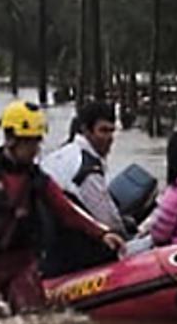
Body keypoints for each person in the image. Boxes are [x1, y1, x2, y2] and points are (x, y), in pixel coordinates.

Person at [0, 101, 124, 313]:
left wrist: (102, 233)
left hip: (20, 260)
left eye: (37, 142)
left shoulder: (36, 178)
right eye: (29, 143)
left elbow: (67, 210)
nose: (35, 149)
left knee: (33, 317)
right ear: (11, 140)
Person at [39, 101, 126, 278]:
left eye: (112, 131)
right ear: (86, 130)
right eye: (103, 131)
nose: (109, 138)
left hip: (46, 247)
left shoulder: (62, 153)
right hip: (69, 254)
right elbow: (107, 220)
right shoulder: (87, 169)